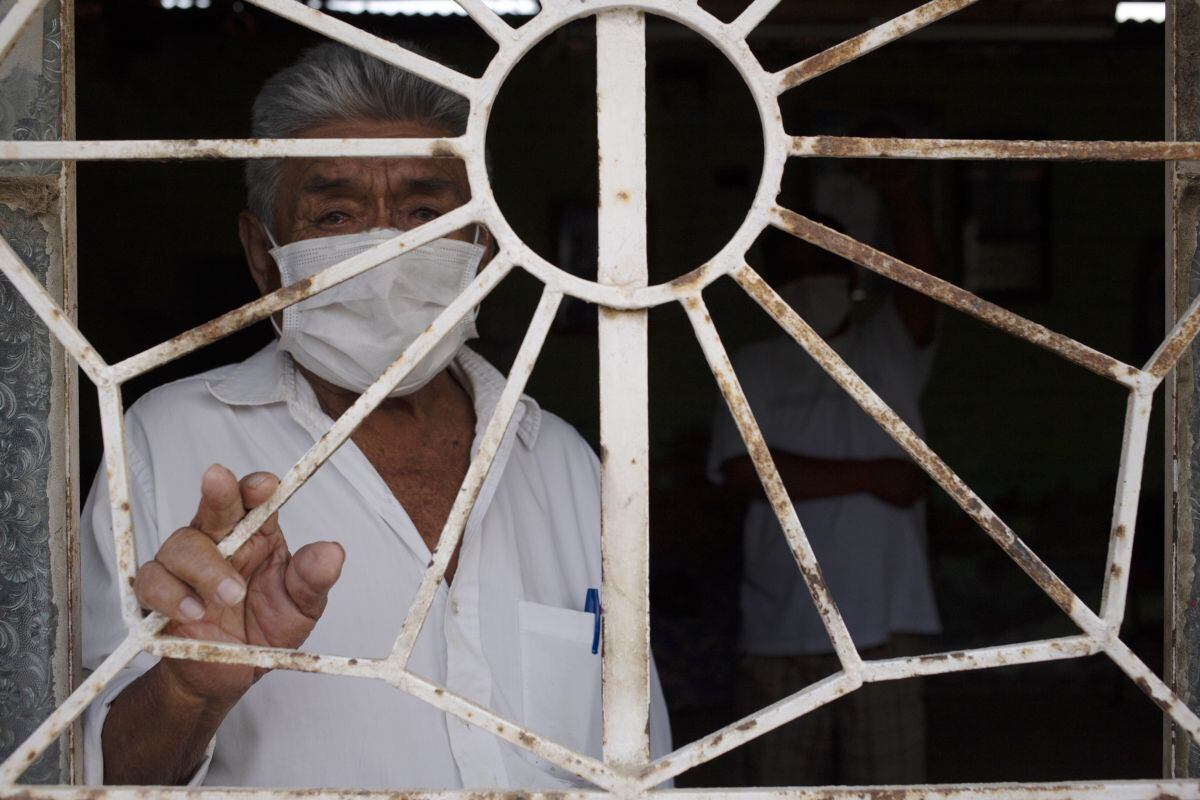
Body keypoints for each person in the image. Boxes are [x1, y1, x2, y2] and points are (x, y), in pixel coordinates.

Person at [80, 42, 670, 789]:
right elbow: (83, 772)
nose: (391, 245)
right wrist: (188, 691)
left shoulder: (560, 460)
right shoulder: (167, 442)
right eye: (336, 213)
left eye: (427, 211)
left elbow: (640, 754)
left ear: (485, 249)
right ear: (264, 256)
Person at [707, 184, 942, 785]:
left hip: (885, 628)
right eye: (790, 268)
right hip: (782, 627)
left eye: (820, 263)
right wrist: (874, 475)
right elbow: (745, 471)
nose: (806, 278)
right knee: (778, 788)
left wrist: (899, 179)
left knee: (891, 788)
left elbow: (922, 276)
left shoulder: (888, 347)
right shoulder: (752, 363)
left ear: (850, 272)